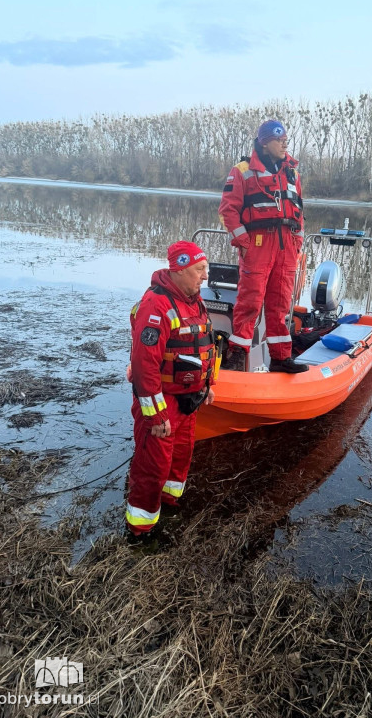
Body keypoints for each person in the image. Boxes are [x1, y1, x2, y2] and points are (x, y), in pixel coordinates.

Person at [125, 241, 215, 542]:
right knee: (153, 465)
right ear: (179, 269)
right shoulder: (157, 305)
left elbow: (206, 344)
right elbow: (145, 367)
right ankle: (140, 529)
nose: (205, 276)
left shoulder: (194, 300)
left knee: (181, 456)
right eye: (199, 269)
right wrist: (156, 415)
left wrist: (207, 384)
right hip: (163, 404)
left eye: (205, 268)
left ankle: (169, 502)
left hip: (189, 400)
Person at [218, 119, 309, 373]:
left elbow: (299, 213)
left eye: (285, 140)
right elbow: (228, 211)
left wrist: (297, 242)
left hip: (287, 247)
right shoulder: (243, 171)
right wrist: (244, 243)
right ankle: (236, 356)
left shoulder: (293, 173)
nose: (285, 143)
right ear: (264, 142)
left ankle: (280, 357)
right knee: (250, 302)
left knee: (280, 303)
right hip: (258, 244)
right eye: (279, 140)